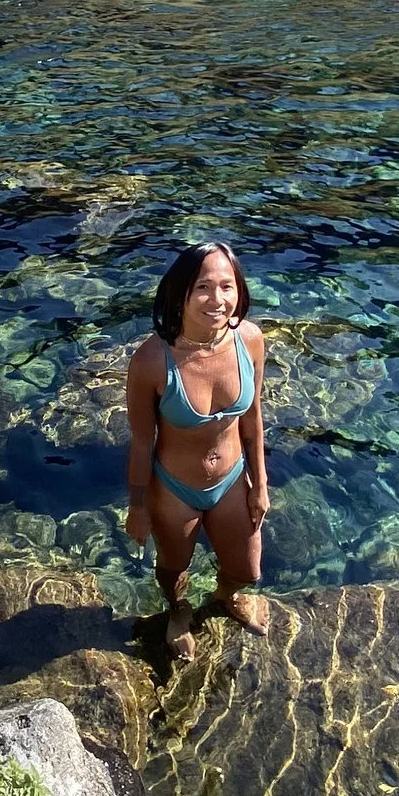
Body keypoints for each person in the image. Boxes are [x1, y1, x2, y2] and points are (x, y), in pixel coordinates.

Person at [124, 240, 269, 660]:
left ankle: (225, 596)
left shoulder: (250, 340)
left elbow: (253, 418)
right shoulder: (151, 361)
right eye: (203, 287)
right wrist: (137, 507)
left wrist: (260, 484)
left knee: (247, 570)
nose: (217, 299)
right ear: (180, 294)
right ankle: (178, 610)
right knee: (173, 568)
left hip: (232, 479)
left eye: (227, 286)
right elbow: (141, 441)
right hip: (174, 487)